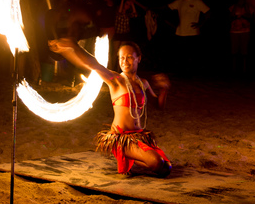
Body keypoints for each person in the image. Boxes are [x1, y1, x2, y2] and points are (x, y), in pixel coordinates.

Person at [48, 38, 172, 177]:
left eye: (130, 57)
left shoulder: (143, 83)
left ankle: (131, 158)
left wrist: (164, 90)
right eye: (122, 58)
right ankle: (125, 153)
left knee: (166, 167)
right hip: (121, 137)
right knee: (156, 162)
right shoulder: (116, 80)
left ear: (139, 59)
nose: (125, 61)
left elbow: (159, 106)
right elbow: (94, 64)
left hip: (138, 136)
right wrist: (73, 46)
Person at [168, 0, 210, 74]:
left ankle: (191, 71)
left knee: (191, 53)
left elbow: (208, 12)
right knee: (181, 53)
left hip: (192, 32)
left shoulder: (197, 1)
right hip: (180, 32)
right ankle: (182, 71)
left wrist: (200, 24)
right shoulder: (180, 1)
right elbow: (168, 7)